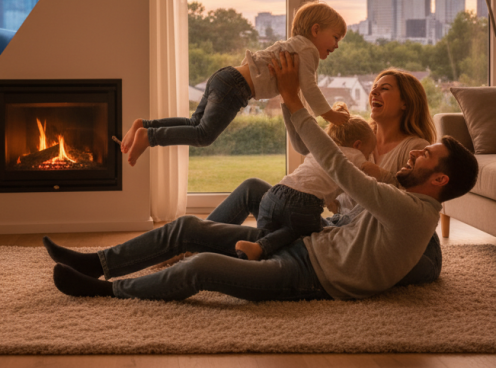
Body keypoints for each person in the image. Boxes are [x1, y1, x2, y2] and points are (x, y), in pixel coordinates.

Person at [44, 52, 478, 303]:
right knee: (185, 226)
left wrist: (294, 101)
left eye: (427, 156)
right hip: (307, 241)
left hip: (308, 274)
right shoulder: (403, 192)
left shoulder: (410, 209)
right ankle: (97, 263)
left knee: (202, 268)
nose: (419, 152)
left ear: (438, 180)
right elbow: (339, 196)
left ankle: (110, 291)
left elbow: (342, 171)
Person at [209, 68, 444, 285]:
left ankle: (217, 251)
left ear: (406, 103)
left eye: (385, 88)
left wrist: (380, 175)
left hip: (374, 242)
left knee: (286, 239)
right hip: (339, 228)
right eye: (374, 86)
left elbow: (406, 207)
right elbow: (308, 147)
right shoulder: (360, 137)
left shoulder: (415, 149)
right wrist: (288, 99)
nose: (374, 91)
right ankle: (205, 240)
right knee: (254, 189)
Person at [120, 1, 351, 166]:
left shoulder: (294, 45)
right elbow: (310, 88)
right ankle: (149, 137)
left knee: (195, 123)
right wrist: (329, 114)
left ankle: (145, 125)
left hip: (226, 77)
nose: (337, 45)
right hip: (236, 87)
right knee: (204, 135)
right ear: (316, 30)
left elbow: (296, 93)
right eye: (336, 37)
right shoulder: (308, 50)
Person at [233, 103, 377, 261]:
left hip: (275, 193)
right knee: (312, 231)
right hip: (303, 202)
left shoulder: (321, 148)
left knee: (271, 236)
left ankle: (252, 252)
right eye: (369, 152)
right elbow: (363, 183)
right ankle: (260, 247)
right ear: (358, 145)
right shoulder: (355, 156)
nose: (368, 156)